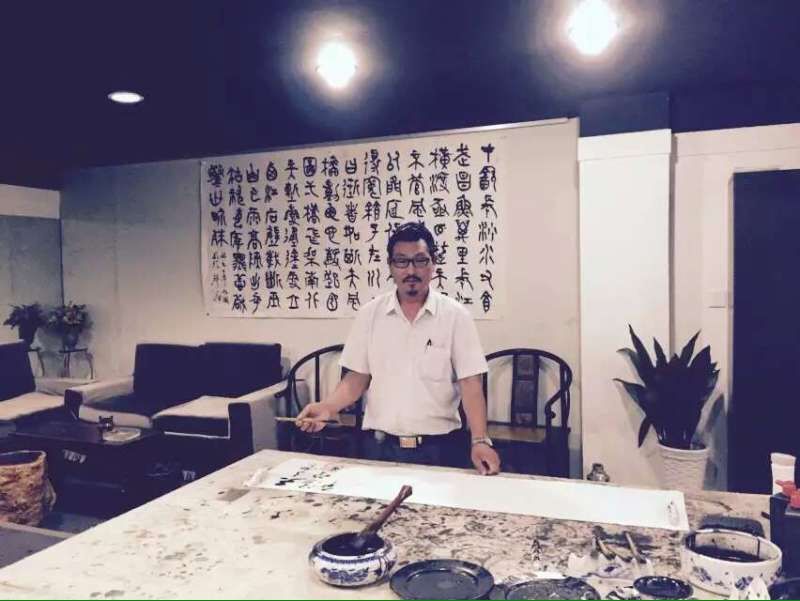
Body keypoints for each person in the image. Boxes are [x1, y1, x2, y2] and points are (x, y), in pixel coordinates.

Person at [296, 221, 501, 475]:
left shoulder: (456, 317)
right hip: (379, 449)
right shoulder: (370, 315)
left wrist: (480, 440)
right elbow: (357, 378)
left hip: (440, 450)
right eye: (402, 261)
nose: (411, 270)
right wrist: (328, 407)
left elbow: (470, 383)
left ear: (433, 264)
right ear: (390, 266)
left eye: (420, 261)